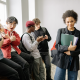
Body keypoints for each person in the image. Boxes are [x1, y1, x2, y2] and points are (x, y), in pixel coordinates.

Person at [52, 10, 80, 80]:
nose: (70, 23)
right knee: (58, 78)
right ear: (65, 21)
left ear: (75, 20)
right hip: (62, 58)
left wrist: (71, 52)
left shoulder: (79, 33)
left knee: (73, 78)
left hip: (74, 59)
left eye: (72, 21)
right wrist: (68, 48)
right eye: (67, 22)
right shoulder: (60, 31)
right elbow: (57, 46)